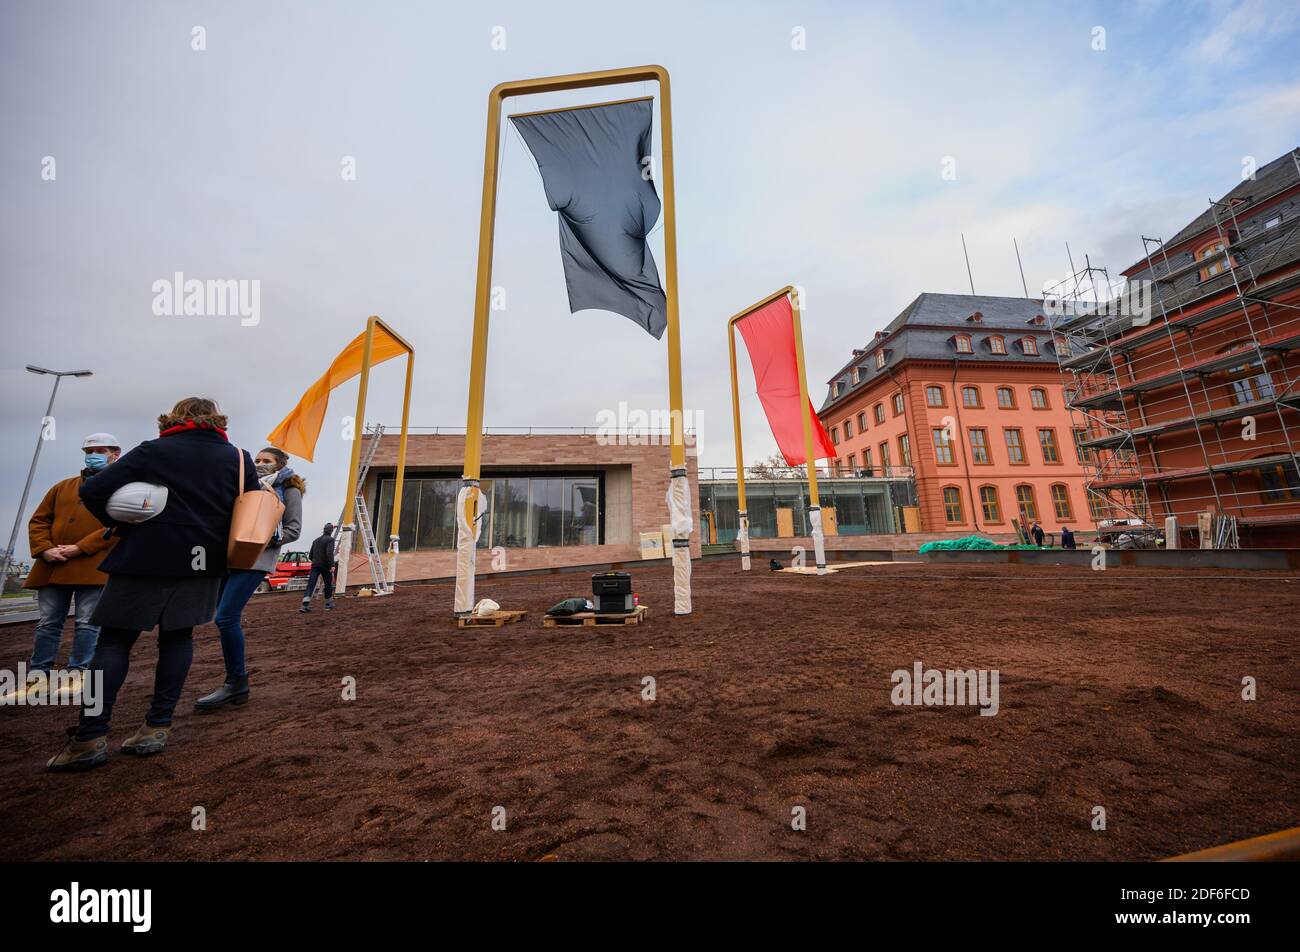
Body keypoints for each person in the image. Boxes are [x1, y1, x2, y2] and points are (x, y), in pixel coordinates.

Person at [45, 398, 259, 772]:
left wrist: (122, 524)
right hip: (202, 560)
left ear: (175, 418)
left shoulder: (153, 450)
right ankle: (155, 728)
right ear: (217, 420)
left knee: (113, 642)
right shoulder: (238, 458)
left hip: (144, 554)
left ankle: (90, 737)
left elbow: (92, 490)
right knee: (177, 639)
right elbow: (251, 506)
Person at [194, 446, 304, 711]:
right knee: (220, 616)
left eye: (267, 460)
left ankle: (237, 681)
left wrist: (263, 537)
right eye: (257, 459)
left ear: (280, 464)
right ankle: (235, 682)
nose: (260, 463)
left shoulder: (290, 489)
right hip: (229, 557)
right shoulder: (244, 485)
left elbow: (294, 529)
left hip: (256, 559)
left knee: (226, 617)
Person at [13, 434, 120, 701]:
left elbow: (118, 526)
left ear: (115, 454)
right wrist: (44, 548)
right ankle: (39, 677)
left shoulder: (121, 488)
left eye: (100, 450)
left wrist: (80, 547)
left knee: (86, 623)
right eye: (89, 450)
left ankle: (78, 674)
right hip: (53, 565)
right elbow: (39, 520)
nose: (92, 455)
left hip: (92, 566)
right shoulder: (63, 487)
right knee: (48, 623)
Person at [299, 524, 337, 612]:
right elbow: (329, 553)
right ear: (331, 531)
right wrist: (332, 565)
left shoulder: (315, 540)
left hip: (315, 565)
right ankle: (328, 604)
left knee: (311, 584)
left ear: (324, 530)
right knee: (328, 584)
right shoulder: (330, 539)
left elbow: (310, 555)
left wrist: (316, 561)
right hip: (325, 565)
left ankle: (304, 605)